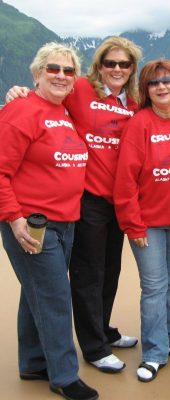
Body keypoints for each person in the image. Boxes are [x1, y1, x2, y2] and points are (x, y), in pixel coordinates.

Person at [6, 36, 143, 373]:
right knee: (87, 274)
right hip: (86, 199)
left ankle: (103, 330)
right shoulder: (80, 89)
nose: (117, 69)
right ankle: (92, 348)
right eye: (110, 63)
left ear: (132, 69)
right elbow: (45, 94)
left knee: (111, 270)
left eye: (124, 64)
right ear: (99, 67)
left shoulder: (135, 102)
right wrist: (19, 91)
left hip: (119, 199)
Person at [0, 42, 98, 400]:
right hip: (32, 223)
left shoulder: (62, 111)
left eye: (68, 71)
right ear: (36, 73)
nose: (60, 75)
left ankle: (32, 362)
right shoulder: (21, 111)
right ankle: (64, 376)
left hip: (65, 221)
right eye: (52, 69)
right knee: (55, 297)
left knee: (37, 292)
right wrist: (14, 218)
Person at [113, 59, 170, 383]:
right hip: (147, 224)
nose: (161, 86)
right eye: (153, 82)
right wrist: (133, 224)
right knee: (154, 287)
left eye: (168, 80)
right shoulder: (139, 123)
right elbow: (125, 181)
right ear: (146, 90)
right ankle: (154, 352)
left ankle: (169, 337)